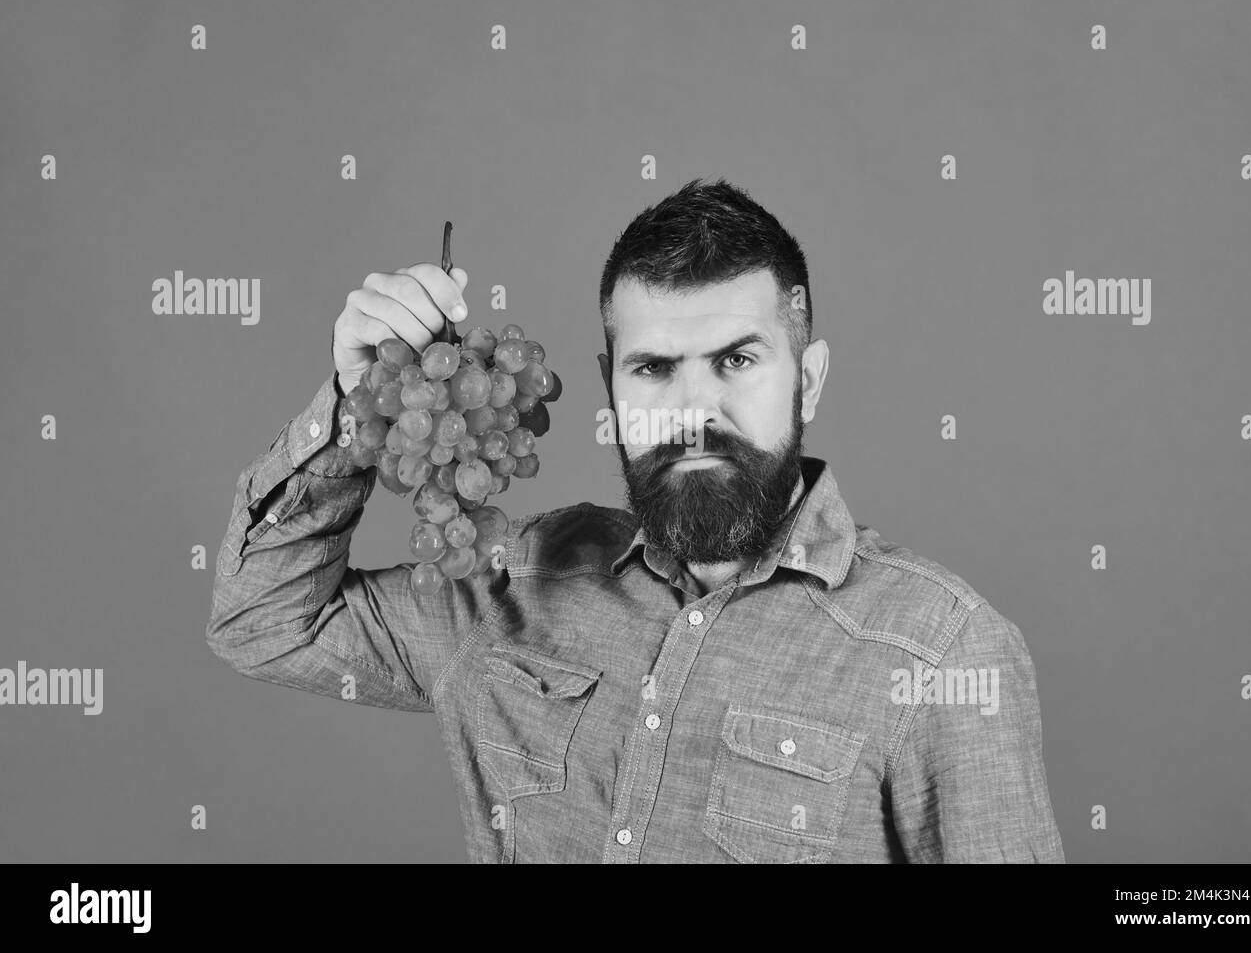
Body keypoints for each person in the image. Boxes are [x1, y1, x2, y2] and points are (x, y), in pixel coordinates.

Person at [205, 177, 1066, 863]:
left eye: (736, 359)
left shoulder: (943, 650)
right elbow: (264, 621)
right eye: (654, 367)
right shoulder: (524, 576)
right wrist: (361, 403)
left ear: (806, 380)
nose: (694, 408)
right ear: (612, 391)